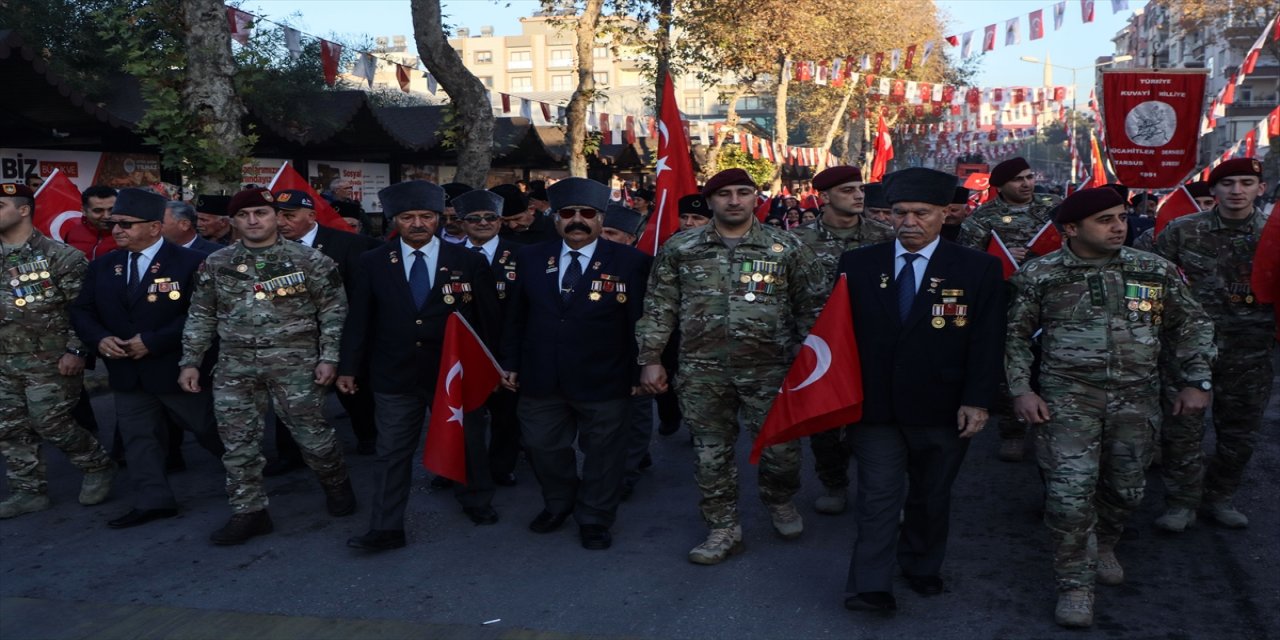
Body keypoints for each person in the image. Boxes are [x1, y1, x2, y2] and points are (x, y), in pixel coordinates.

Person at [1007, 187, 1214, 628]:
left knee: (1126, 490)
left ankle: (1104, 542)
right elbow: (1014, 338)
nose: (1119, 225)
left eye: (1121, 217)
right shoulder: (1041, 274)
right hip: (1067, 400)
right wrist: (1022, 390)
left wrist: (1197, 381)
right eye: (1104, 219)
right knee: (1067, 498)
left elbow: (1193, 325)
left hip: (1137, 399)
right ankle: (1075, 586)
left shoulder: (1153, 270)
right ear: (1071, 228)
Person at [836, 167, 1004, 613]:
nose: (909, 222)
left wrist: (978, 400)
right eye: (900, 213)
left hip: (943, 406)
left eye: (921, 213)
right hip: (875, 406)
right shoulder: (859, 264)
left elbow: (988, 340)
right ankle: (870, 585)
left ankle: (921, 564)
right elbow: (838, 334)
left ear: (946, 214)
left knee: (931, 495)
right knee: (877, 496)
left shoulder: (978, 268)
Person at [637, 168, 826, 565]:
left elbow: (812, 306)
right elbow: (659, 306)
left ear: (757, 197)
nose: (735, 200)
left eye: (744, 192)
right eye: (724, 194)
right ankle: (723, 527)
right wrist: (651, 358)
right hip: (703, 371)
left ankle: (779, 499)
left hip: (771, 370)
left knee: (782, 451)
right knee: (710, 453)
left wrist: (812, 363)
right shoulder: (681, 248)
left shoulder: (785, 246)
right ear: (710, 201)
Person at [178, 188, 356, 546]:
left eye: (261, 213)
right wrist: (191, 362)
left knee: (313, 437)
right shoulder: (216, 262)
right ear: (234, 221)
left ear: (277, 217)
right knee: (238, 443)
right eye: (244, 215)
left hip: (296, 364)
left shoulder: (309, 261)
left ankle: (336, 484)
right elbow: (201, 315)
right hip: (235, 366)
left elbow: (334, 311)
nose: (253, 220)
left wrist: (329, 357)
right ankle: (250, 511)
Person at [339, 182, 502, 552]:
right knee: (392, 450)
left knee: (468, 439)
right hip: (394, 372)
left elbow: (488, 321)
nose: (417, 224)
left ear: (439, 219)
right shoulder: (372, 261)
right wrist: (348, 367)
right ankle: (386, 527)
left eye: (426, 216)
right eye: (408, 217)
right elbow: (359, 319)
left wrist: (493, 367)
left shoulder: (468, 261)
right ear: (394, 219)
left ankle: (476, 500)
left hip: (453, 373)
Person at [501, 177, 651, 551]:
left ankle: (595, 517)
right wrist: (510, 362)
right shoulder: (531, 257)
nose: (578, 221)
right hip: (541, 376)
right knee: (541, 446)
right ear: (555, 219)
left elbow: (642, 321)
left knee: (603, 455)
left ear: (601, 219)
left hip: (606, 376)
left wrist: (640, 370)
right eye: (569, 214)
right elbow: (515, 316)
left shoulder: (633, 262)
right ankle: (559, 502)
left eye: (588, 214)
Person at [68, 188, 224, 529]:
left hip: (177, 370)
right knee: (139, 438)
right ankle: (154, 500)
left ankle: (244, 473)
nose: (117, 230)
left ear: (154, 227)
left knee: (208, 428)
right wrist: (99, 339)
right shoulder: (104, 265)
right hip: (126, 371)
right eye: (114, 223)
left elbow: (204, 313)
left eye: (126, 224)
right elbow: (81, 310)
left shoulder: (190, 262)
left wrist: (153, 341)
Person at [1153, 158, 1274, 532]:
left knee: (1239, 434)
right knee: (1182, 432)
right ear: (1214, 191)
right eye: (1227, 184)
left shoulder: (1274, 234)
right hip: (1188, 350)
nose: (1236, 191)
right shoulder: (1182, 231)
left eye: (1246, 182)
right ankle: (1181, 503)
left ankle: (1220, 496)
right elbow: (1149, 280)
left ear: (1260, 188)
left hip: (1249, 351)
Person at [0, 183, 116, 519]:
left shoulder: (61, 257)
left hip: (49, 359)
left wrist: (76, 351)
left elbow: (82, 311)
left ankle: (97, 465)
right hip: (4, 358)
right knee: (8, 427)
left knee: (50, 422)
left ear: (23, 210)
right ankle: (27, 492)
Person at [791, 165, 895, 515]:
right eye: (848, 190)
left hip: (873, 345)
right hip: (821, 347)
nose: (859, 195)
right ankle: (833, 482)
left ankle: (881, 492)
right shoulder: (797, 241)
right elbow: (785, 295)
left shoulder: (885, 237)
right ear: (824, 197)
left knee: (878, 421)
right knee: (825, 422)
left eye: (860, 189)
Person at [955, 157, 1062, 462]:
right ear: (999, 186)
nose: (1027, 184)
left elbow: (1074, 237)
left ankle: (1055, 426)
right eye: (1018, 180)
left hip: (1052, 296)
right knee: (1010, 366)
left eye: (1029, 177)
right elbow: (968, 259)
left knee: (1053, 362)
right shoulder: (983, 217)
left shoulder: (1052, 206)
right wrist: (996, 256)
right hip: (1008, 299)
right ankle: (1012, 432)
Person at [272, 189, 381, 462]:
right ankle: (289, 454)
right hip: (290, 340)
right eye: (276, 215)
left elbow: (360, 294)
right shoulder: (267, 247)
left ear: (311, 216)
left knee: (353, 392)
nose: (281, 221)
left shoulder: (347, 244)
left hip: (340, 334)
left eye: (289, 215)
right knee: (286, 398)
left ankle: (369, 437)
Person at [459, 188, 522, 487]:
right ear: (462, 222)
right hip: (461, 351)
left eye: (490, 217)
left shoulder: (523, 255)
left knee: (506, 416)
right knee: (461, 416)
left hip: (506, 348)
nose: (482, 223)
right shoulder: (449, 256)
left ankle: (502, 465)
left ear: (500, 221)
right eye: (474, 218)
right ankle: (458, 468)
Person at [65, 186, 119, 260]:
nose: (107, 216)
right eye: (98, 210)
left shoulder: (129, 234)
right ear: (84, 211)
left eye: (112, 209)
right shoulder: (72, 233)